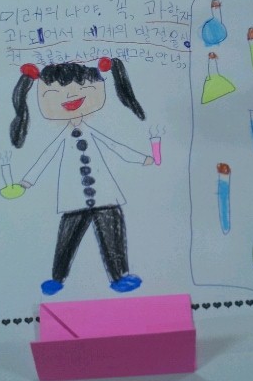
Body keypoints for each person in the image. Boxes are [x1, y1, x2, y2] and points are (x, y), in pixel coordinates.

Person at [10, 57, 153, 295]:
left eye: (81, 88)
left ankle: (119, 275)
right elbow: (45, 158)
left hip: (105, 197)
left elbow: (116, 147)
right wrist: (27, 181)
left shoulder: (92, 132)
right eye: (55, 93)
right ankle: (58, 277)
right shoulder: (62, 138)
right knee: (67, 239)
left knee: (112, 235)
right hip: (74, 199)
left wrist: (141, 158)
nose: (70, 96)